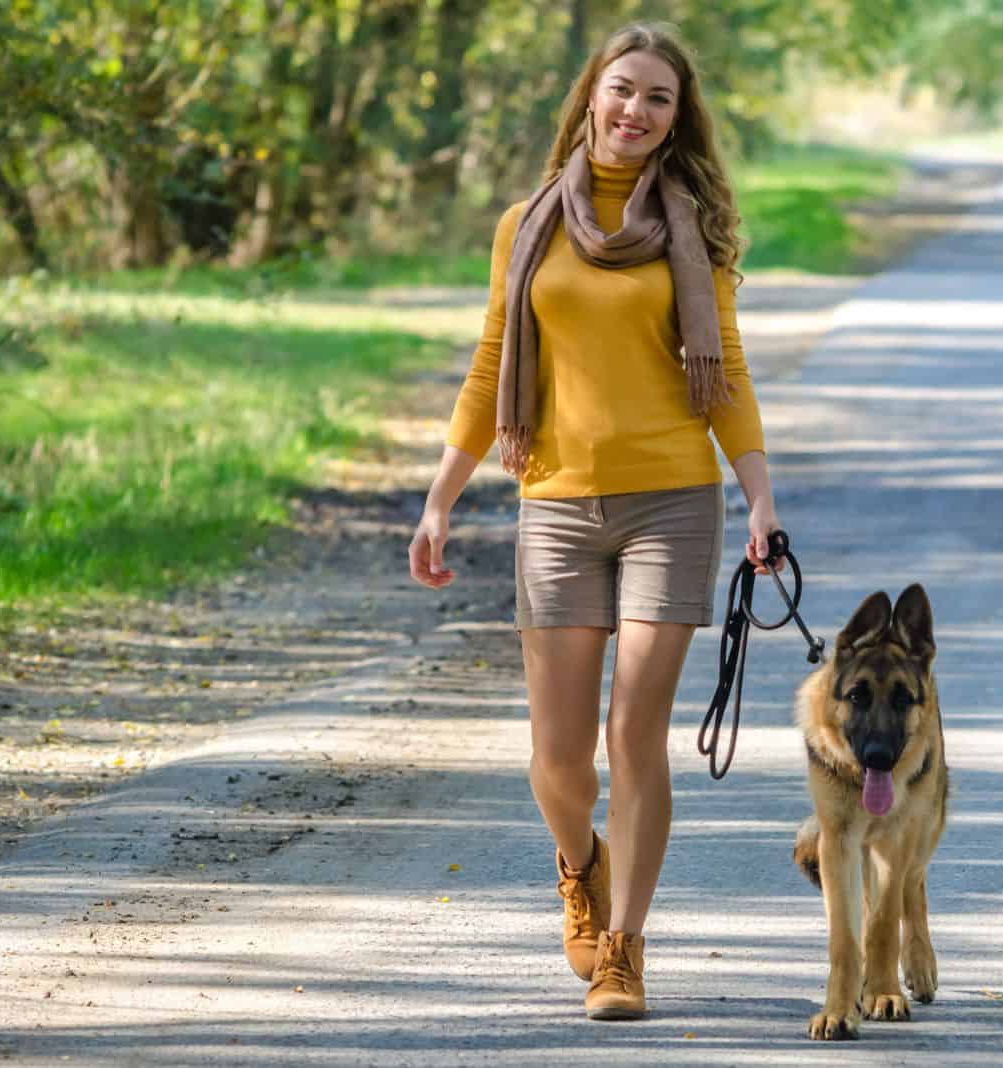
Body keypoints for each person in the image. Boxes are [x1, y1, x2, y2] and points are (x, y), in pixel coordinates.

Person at [407, 22, 780, 1021]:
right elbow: (494, 360)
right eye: (622, 90)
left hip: (672, 500)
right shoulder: (528, 221)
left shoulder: (691, 226)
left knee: (633, 734)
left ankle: (622, 948)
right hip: (556, 505)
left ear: (674, 120)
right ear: (590, 98)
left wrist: (758, 494)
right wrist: (442, 496)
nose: (635, 111)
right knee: (560, 757)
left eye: (657, 98)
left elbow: (727, 369)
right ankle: (579, 862)